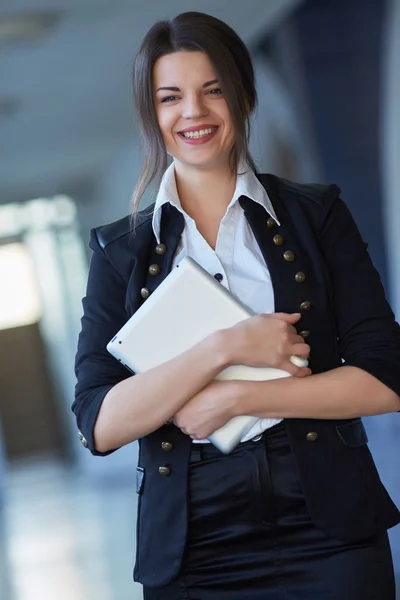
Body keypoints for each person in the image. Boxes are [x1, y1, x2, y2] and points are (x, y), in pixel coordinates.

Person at [73, 11, 400, 600]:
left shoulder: (315, 215)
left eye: (212, 90)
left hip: (328, 527)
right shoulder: (120, 253)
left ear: (244, 96)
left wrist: (240, 395)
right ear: (153, 115)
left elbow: (385, 377)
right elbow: (99, 424)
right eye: (170, 97)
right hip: (194, 544)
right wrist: (224, 347)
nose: (192, 112)